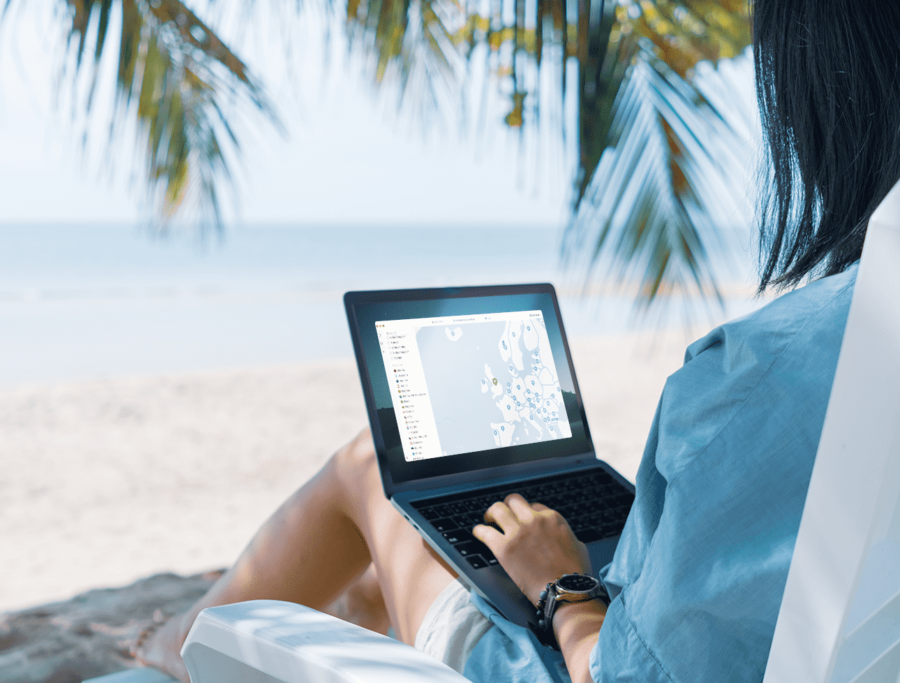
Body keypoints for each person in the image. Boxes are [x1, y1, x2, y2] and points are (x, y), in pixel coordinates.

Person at [134, 1, 900, 681]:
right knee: (412, 567)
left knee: (370, 468)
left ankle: (177, 647)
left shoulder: (762, 371)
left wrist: (562, 584)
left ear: (826, 100)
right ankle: (364, 605)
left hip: (572, 657)